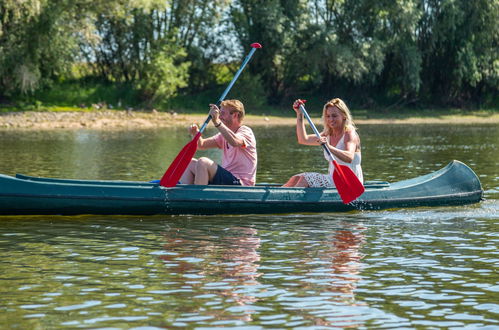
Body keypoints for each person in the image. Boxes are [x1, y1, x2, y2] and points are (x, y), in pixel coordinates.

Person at [282, 98, 363, 187]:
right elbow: (303, 139)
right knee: (296, 178)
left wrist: (329, 147)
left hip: (350, 182)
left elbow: (349, 157)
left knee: (305, 179)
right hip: (333, 179)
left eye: (334, 116)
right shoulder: (327, 134)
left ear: (344, 116)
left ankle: (290, 200)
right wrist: (299, 114)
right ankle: (279, 197)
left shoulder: (349, 133)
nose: (331, 119)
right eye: (328, 116)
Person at [179, 99, 257, 186]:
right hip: (227, 179)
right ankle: (186, 197)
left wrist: (217, 122)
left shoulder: (246, 131)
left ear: (235, 115)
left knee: (203, 162)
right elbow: (201, 145)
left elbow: (234, 142)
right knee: (188, 162)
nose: (219, 116)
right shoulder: (223, 135)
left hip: (241, 183)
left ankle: (199, 198)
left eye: (223, 113)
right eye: (219, 113)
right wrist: (195, 134)